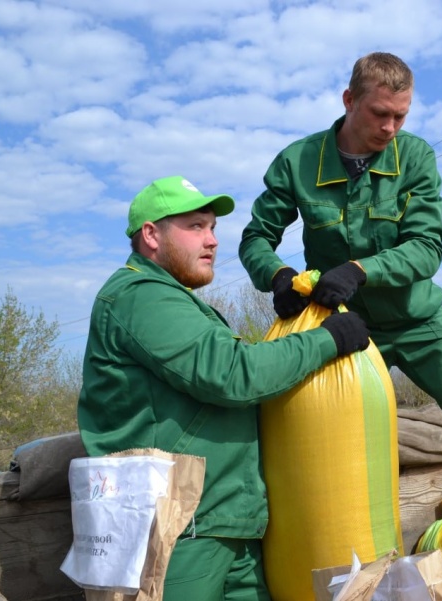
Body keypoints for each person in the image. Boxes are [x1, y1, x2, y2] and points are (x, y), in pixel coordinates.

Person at [238, 52, 442, 555]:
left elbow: (426, 248)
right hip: (342, 328)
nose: (390, 127)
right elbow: (254, 239)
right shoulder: (299, 162)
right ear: (349, 101)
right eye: (380, 114)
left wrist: (359, 270)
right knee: (288, 426)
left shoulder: (415, 158)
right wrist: (278, 275)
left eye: (401, 116)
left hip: (417, 321)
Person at [77, 175, 370, 600]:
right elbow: (233, 375)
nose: (212, 240)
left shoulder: (179, 301)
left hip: (226, 522)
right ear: (151, 235)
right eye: (195, 227)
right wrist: (329, 338)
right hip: (175, 531)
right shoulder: (138, 296)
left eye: (213, 228)